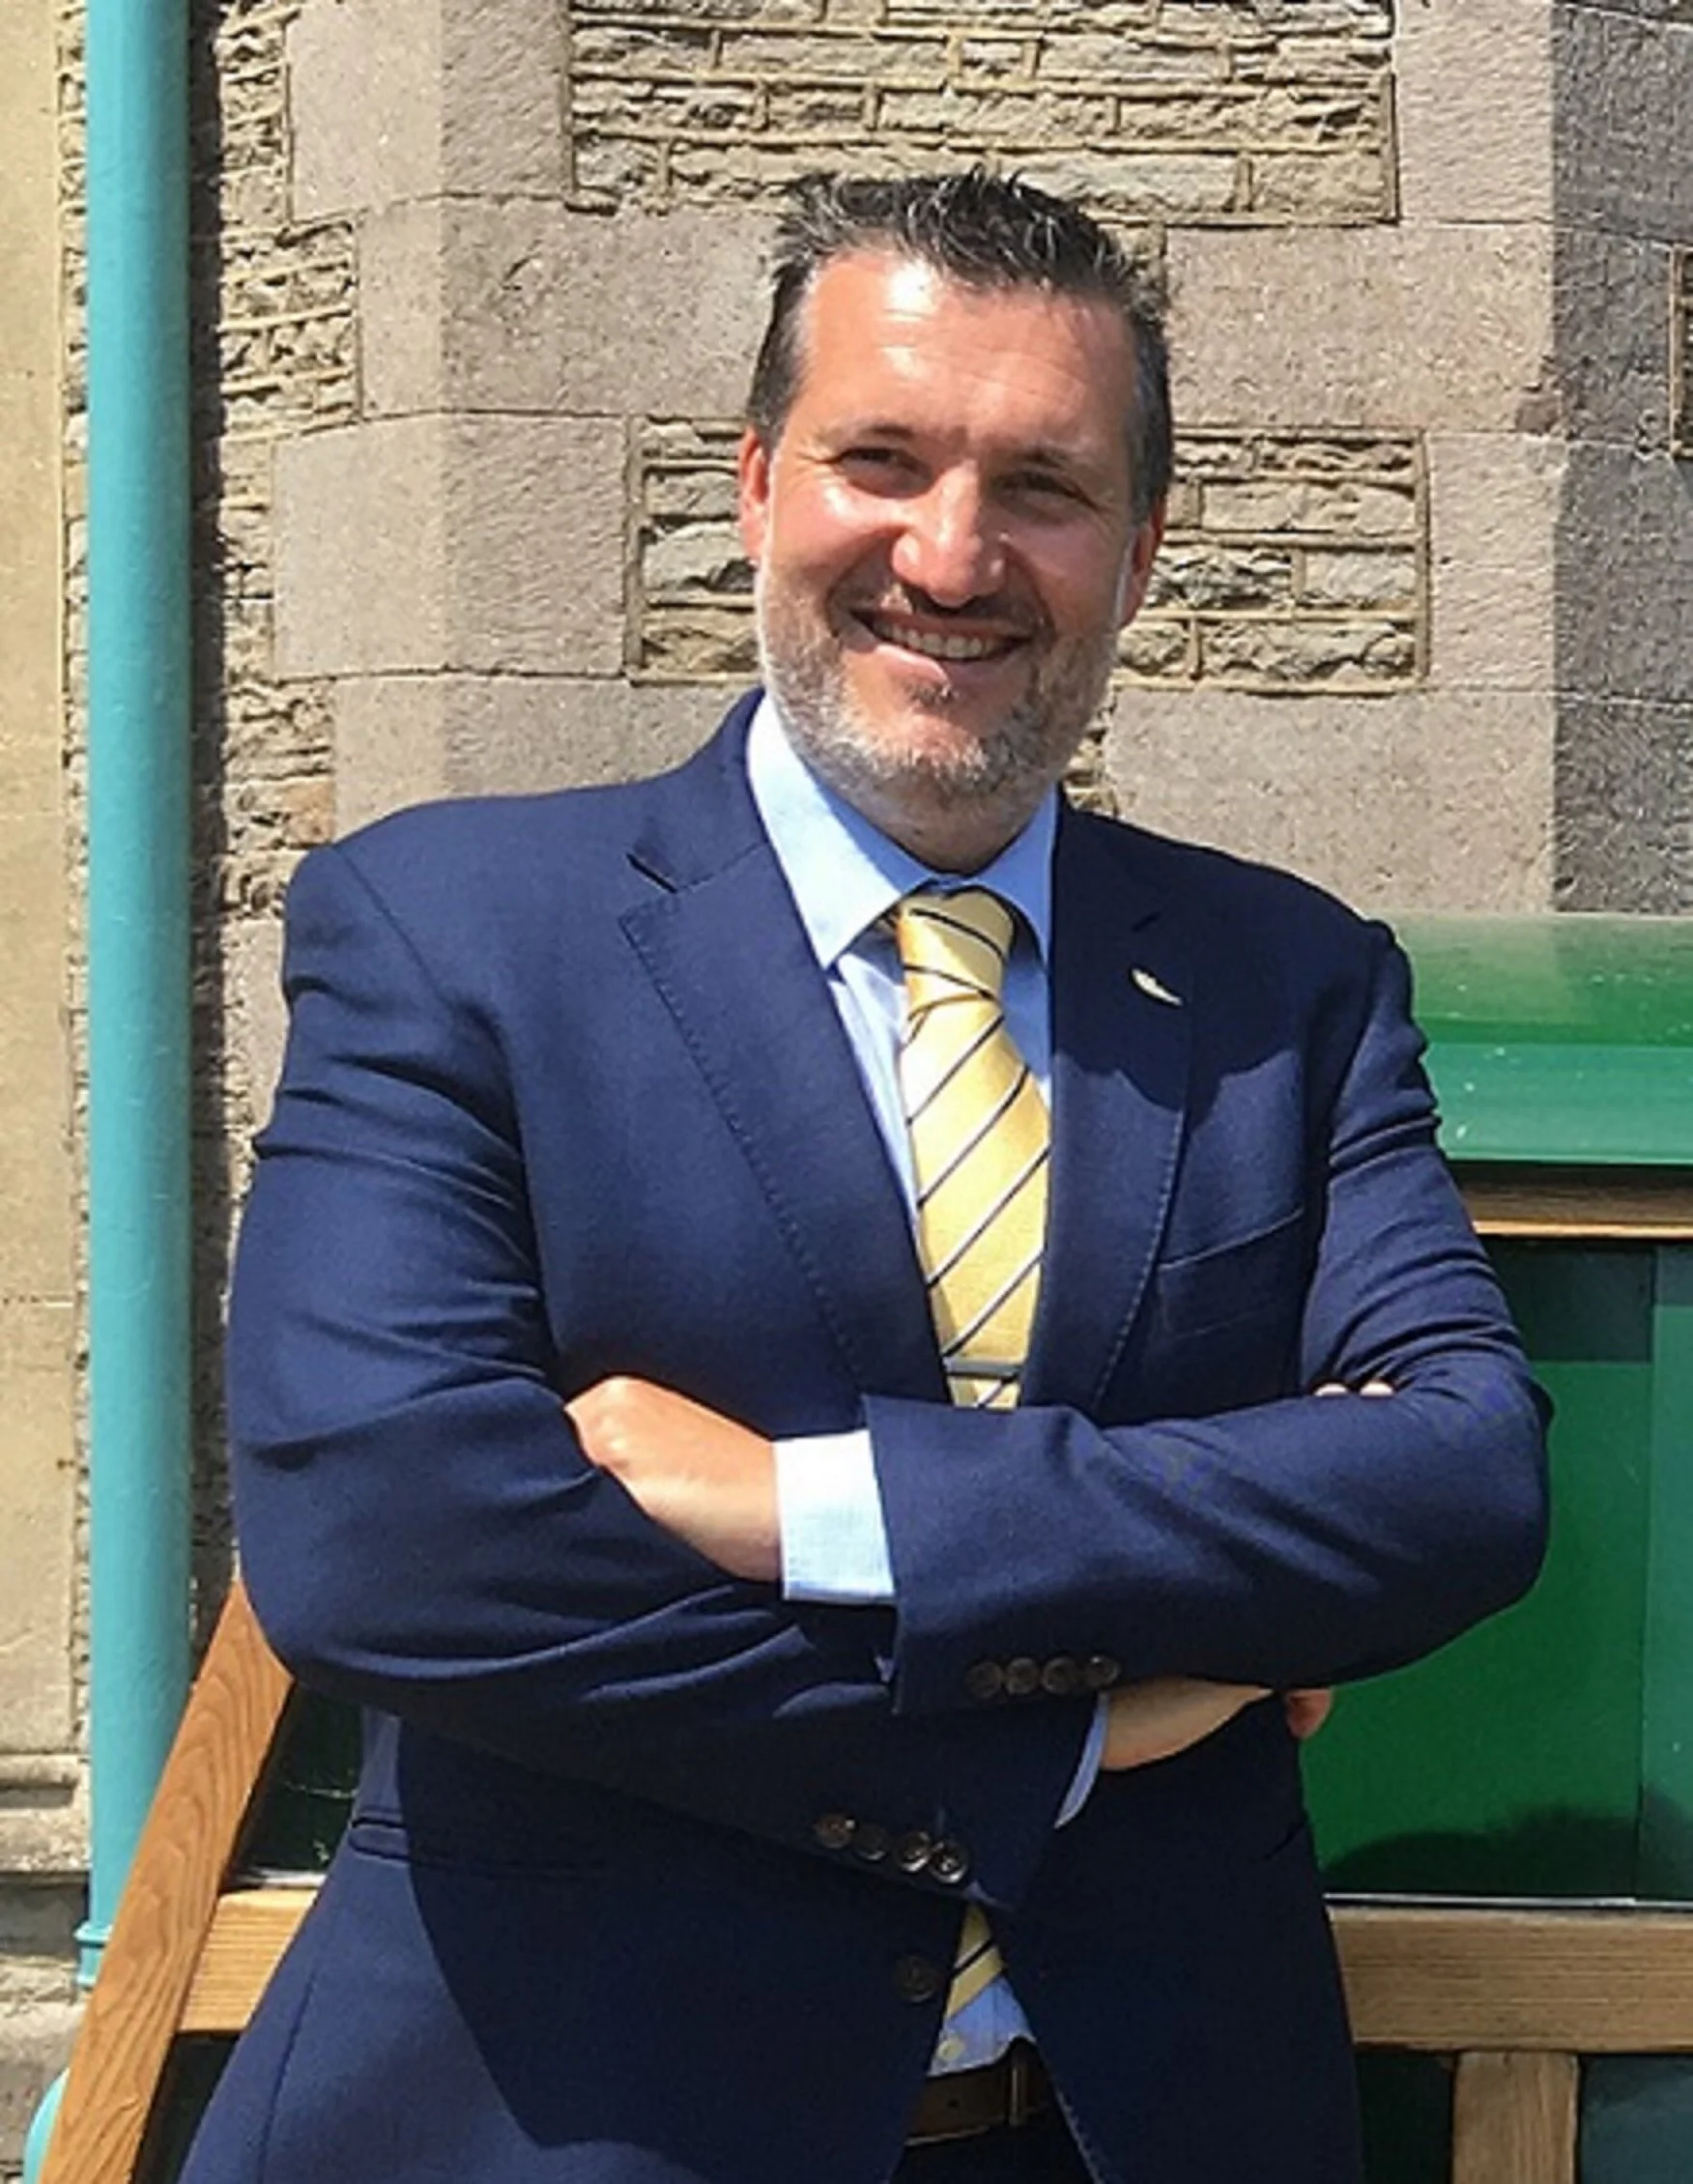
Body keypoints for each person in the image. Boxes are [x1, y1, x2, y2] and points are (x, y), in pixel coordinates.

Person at [184, 170, 1547, 2184]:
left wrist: (817, 1504)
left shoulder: (1290, 983)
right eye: (881, 460)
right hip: (563, 2131)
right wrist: (1062, 1729)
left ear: (1142, 550)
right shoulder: (450, 932)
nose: (953, 553)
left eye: (1043, 487)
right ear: (756, 486)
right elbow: (389, 1544)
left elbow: (1462, 1480)